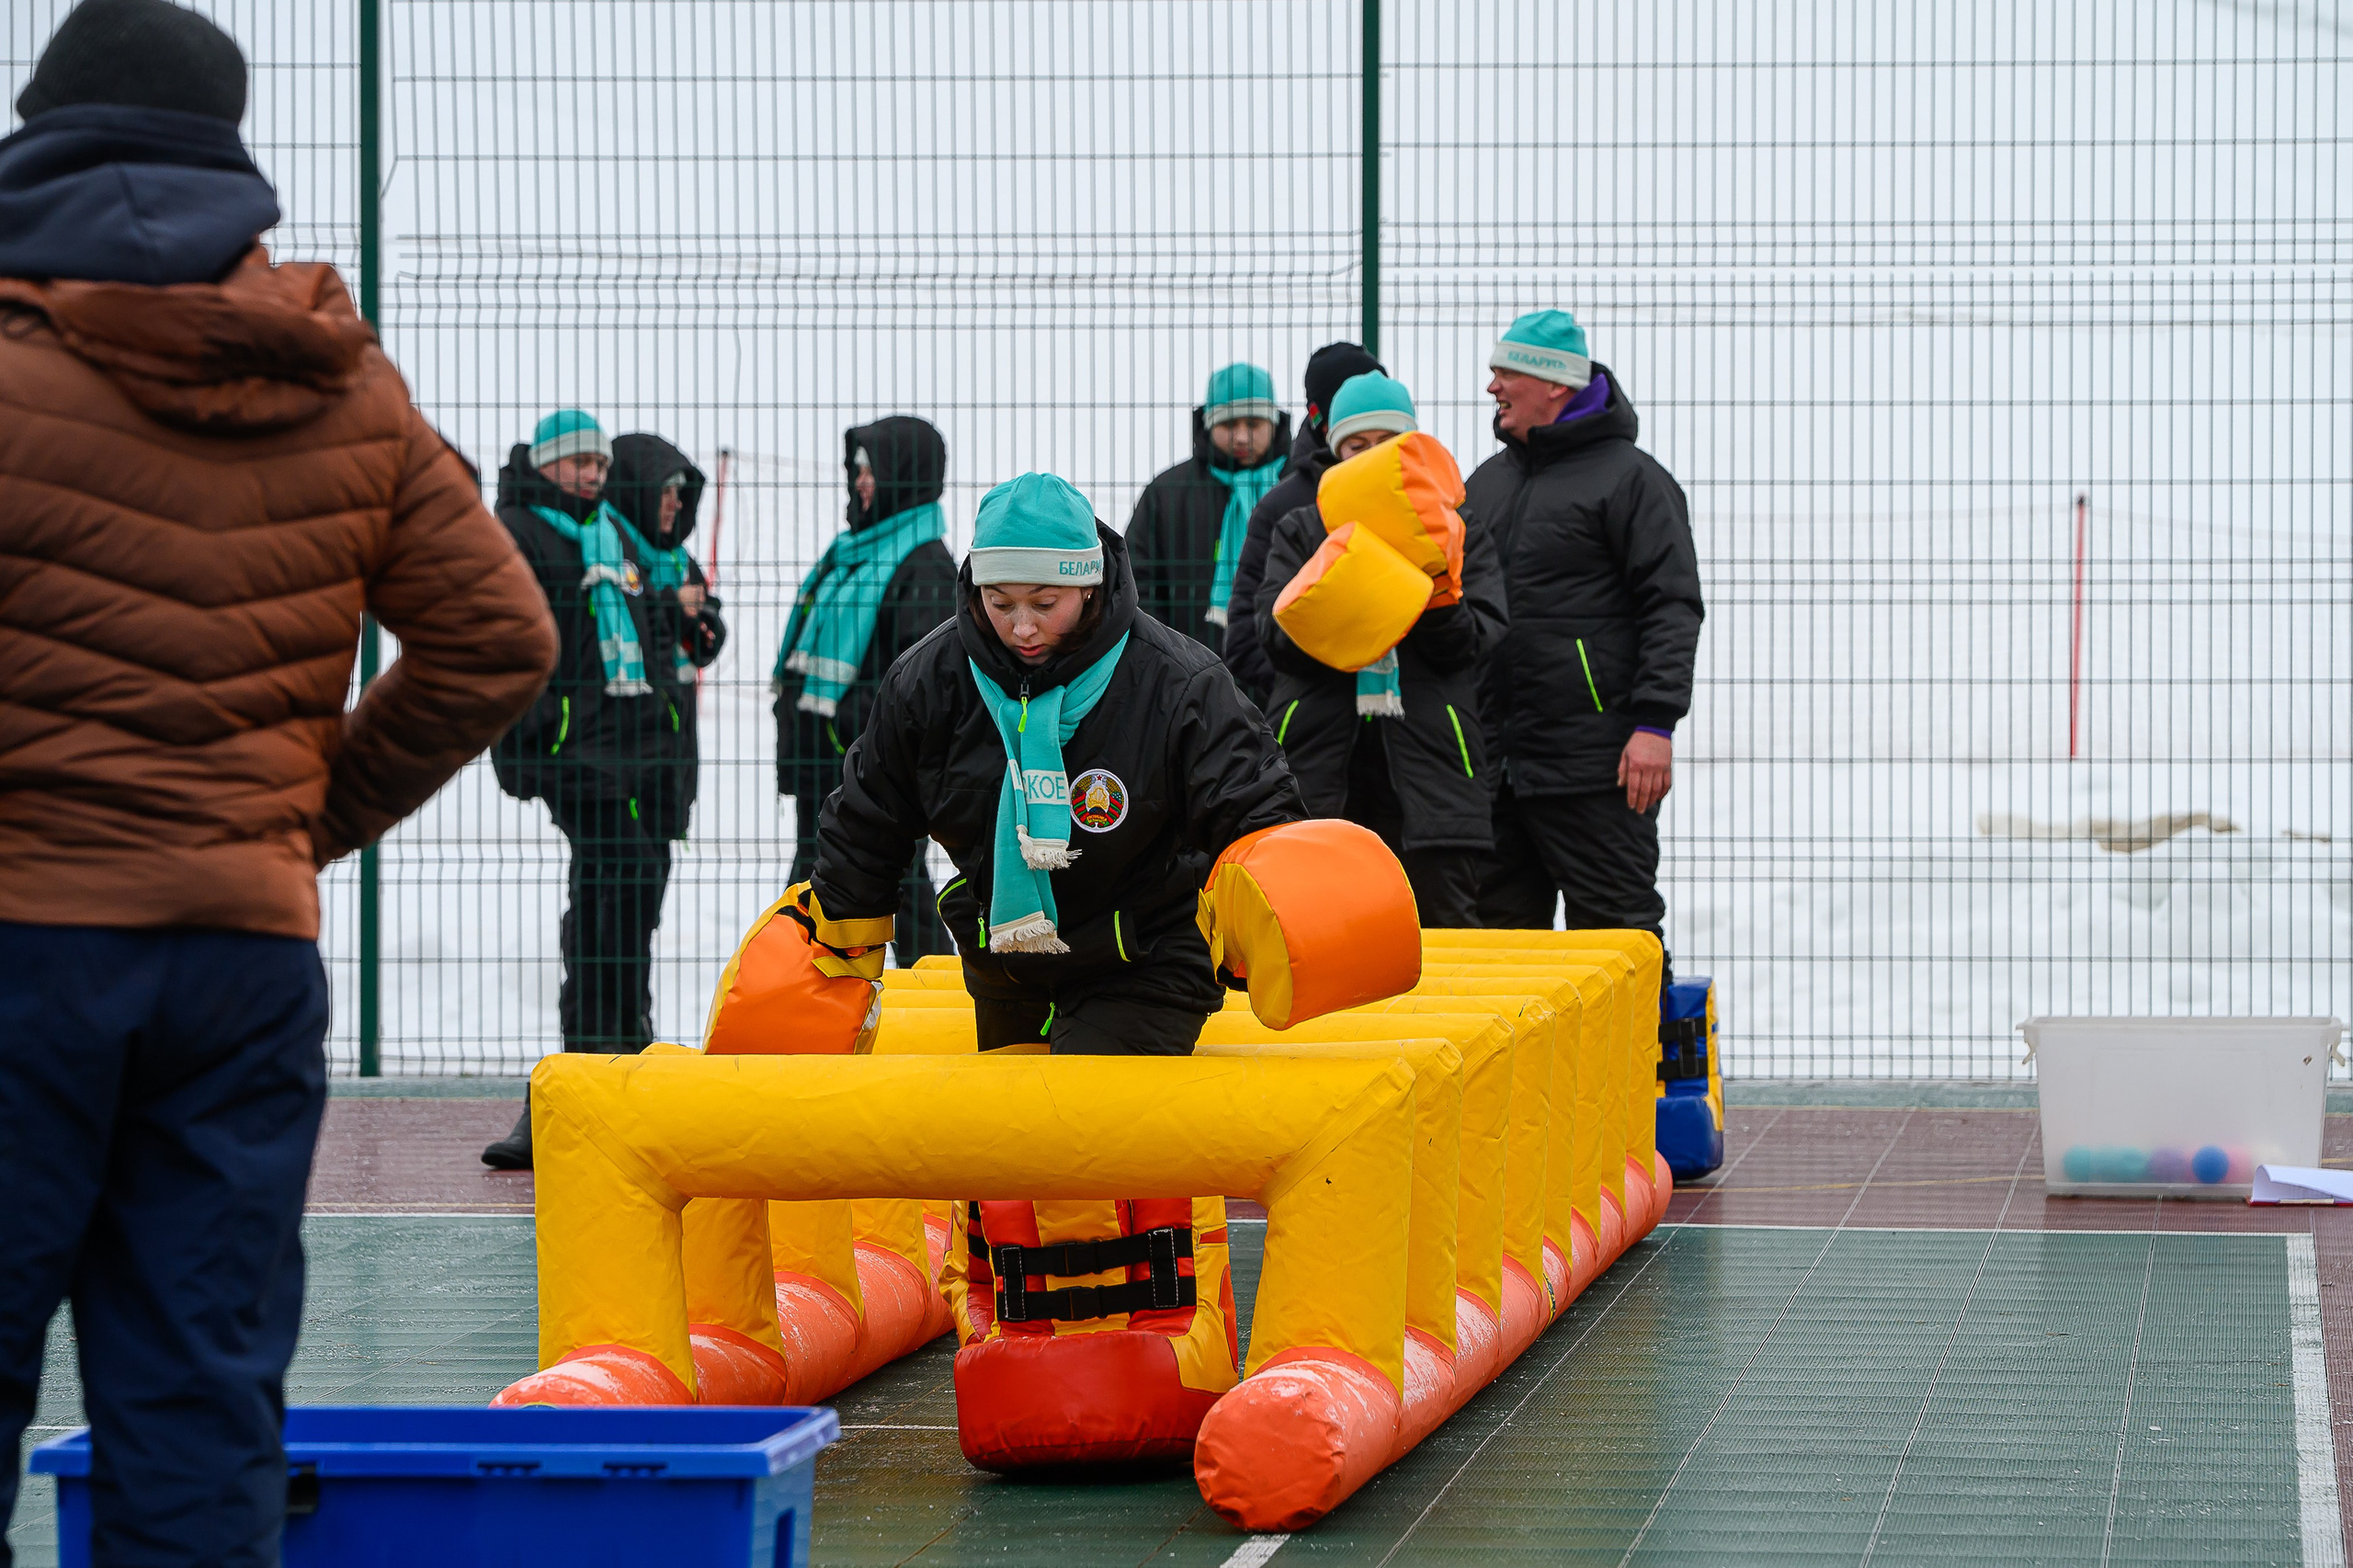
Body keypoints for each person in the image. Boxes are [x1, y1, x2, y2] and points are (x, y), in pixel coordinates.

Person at [0, 2, 559, 1559]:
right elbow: (501, 638)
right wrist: (298, 824)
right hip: (240, 964)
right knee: (199, 1391)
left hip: (22, 942)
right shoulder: (337, 376)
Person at [804, 472, 1304, 1055]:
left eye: (1045, 604)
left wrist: (1287, 923)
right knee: (1012, 1111)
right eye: (1000, 603)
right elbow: (869, 821)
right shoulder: (929, 682)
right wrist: (834, 961)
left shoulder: (1175, 684)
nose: (1022, 628)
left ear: (1089, 587)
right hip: (1006, 957)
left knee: (1081, 1105)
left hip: (1143, 957)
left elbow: (1256, 812)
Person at [483, 411, 705, 1168]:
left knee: (624, 897)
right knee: (612, 890)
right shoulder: (519, 532)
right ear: (546, 463)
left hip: (630, 748)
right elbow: (507, 641)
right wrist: (548, 728)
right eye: (578, 463)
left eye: (599, 465)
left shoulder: (609, 535)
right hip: (576, 752)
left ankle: (617, 1062)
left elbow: (646, 631)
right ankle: (582, 1077)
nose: (591, 476)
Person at [1468, 311, 1703, 974]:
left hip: (1598, 767)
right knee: (1498, 956)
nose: (1492, 387)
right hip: (1495, 769)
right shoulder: (1484, 483)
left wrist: (1654, 725)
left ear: (1554, 383)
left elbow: (1672, 606)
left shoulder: (1633, 480)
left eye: (1506, 373)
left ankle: (1644, 1051)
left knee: (1616, 942)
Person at [1254, 372, 1506, 927]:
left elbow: (1474, 643)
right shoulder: (1302, 529)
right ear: (1334, 452)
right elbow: (1274, 638)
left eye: (1387, 443)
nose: (1370, 456)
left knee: (1440, 935)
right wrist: (1345, 592)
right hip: (1321, 769)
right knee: (1319, 934)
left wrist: (1435, 590)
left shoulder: (1456, 528)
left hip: (1433, 777)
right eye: (1356, 445)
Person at [774, 415, 959, 961]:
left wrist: (843, 733)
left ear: (903, 474)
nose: (860, 482)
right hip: (830, 767)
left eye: (870, 470)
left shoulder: (923, 565)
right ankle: (812, 990)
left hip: (869, 770)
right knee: (831, 889)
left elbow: (917, 686)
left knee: (887, 889)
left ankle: (934, 987)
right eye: (856, 470)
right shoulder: (853, 553)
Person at [1220, 342, 1385, 705]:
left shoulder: (1428, 500)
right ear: (1320, 418)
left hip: (1411, 722)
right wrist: (1307, 693)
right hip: (1316, 723)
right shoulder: (1283, 508)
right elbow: (1245, 638)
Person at [605, 432, 727, 844]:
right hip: (624, 738)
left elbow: (706, 634)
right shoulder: (611, 550)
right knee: (617, 863)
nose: (676, 503)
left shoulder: (678, 558)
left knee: (656, 856)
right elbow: (630, 618)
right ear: (637, 491)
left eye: (680, 493)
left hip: (674, 734)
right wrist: (672, 606)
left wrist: (703, 625)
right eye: (666, 492)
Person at [1125, 362, 1290, 653]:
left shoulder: (1300, 486)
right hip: (1189, 665)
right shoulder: (1167, 492)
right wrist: (1165, 653)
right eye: (1229, 425)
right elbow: (1137, 579)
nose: (1242, 437)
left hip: (1288, 661)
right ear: (1208, 425)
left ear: (1274, 424)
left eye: (1253, 424)